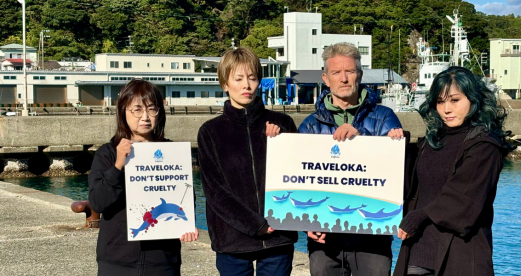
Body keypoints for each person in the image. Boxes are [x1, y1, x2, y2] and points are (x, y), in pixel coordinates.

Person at [298, 42, 404, 276]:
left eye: (350, 71)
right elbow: (300, 183)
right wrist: (306, 224)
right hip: (324, 242)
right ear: (326, 79)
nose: (344, 78)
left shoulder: (384, 118)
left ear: (360, 75)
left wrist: (363, 140)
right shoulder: (309, 125)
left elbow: (398, 175)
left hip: (372, 241)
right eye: (336, 73)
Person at [393, 66, 511, 276]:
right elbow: (411, 188)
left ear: (473, 100)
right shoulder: (431, 141)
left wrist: (422, 216)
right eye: (440, 101)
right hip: (418, 253)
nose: (446, 109)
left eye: (455, 100)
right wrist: (395, 148)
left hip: (461, 256)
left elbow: (465, 195)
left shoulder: (485, 146)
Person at [197, 47, 299, 276]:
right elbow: (214, 191)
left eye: (253, 78)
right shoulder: (210, 131)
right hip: (231, 238)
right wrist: (255, 224)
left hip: (278, 237)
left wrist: (281, 142)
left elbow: (299, 176)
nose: (247, 85)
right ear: (225, 84)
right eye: (239, 78)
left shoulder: (282, 123)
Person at [88, 79, 198, 276]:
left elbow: (188, 198)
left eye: (152, 109)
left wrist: (187, 225)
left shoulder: (173, 152)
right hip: (116, 260)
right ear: (123, 111)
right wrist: (118, 165)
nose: (145, 117)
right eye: (137, 110)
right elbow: (97, 203)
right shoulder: (107, 154)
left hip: (163, 259)